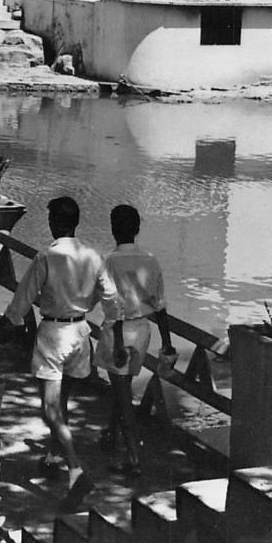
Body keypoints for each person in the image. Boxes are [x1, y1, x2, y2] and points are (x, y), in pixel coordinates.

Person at [0, 195, 126, 510]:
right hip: (81, 333)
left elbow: (23, 297)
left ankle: (75, 469)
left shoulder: (46, 257)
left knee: (50, 409)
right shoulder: (93, 256)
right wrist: (118, 342)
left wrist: (5, 324)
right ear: (76, 223)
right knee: (63, 398)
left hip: (54, 334)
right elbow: (112, 303)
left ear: (54, 222)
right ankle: (55, 453)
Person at [95, 204, 176, 476]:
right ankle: (110, 432)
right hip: (142, 331)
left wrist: (116, 342)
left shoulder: (107, 262)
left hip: (118, 332)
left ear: (113, 228)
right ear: (137, 229)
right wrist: (167, 342)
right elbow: (161, 305)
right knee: (123, 386)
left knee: (123, 392)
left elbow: (114, 307)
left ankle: (132, 456)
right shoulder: (151, 261)